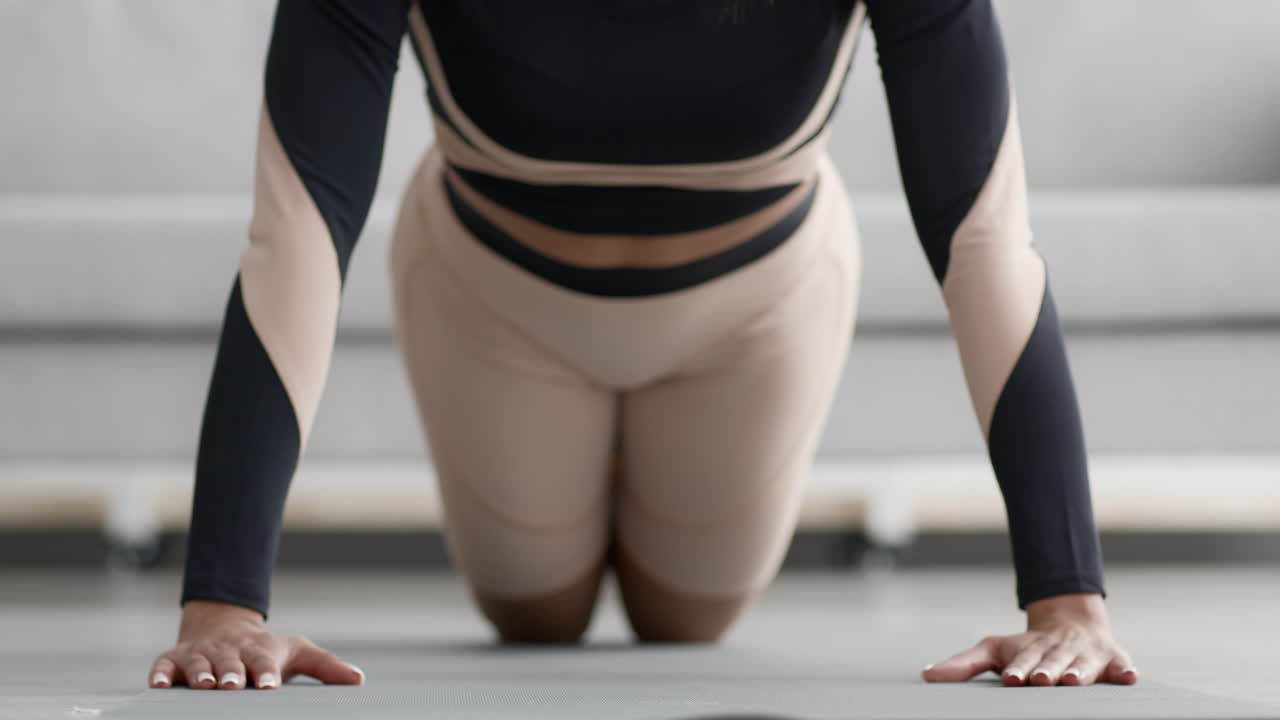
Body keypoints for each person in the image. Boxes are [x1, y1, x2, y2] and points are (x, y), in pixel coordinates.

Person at [148, 0, 1139, 692]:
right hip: (492, 301)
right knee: (537, 618)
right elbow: (298, 237)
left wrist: (1066, 600)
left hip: (755, 309)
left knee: (684, 621)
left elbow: (982, 239)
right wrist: (222, 607)